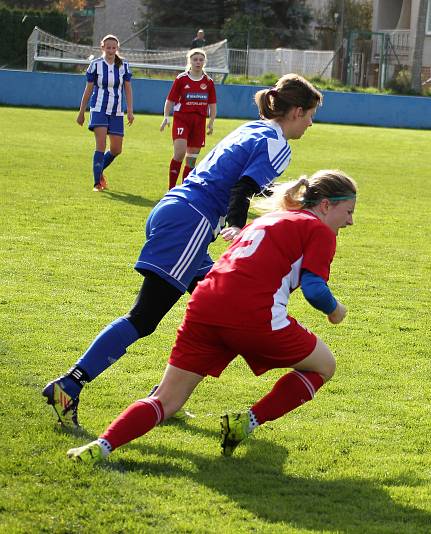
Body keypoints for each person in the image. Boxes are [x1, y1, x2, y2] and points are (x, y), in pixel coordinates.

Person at [43, 74, 323, 429]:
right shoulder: (278, 143)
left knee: (224, 310)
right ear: (296, 111)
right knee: (144, 317)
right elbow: (243, 188)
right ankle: (69, 385)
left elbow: (234, 180)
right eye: (311, 114)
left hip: (180, 212)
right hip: (191, 223)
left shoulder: (252, 129)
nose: (312, 123)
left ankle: (165, 399)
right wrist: (235, 226)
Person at [66, 171, 357, 463]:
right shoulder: (318, 230)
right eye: (348, 211)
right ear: (326, 205)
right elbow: (315, 290)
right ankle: (248, 421)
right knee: (324, 366)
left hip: (204, 306)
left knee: (165, 400)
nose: (350, 221)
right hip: (253, 316)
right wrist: (336, 311)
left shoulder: (270, 218)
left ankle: (99, 447)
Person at [77, 34, 134, 192]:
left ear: (117, 48)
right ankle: (97, 183)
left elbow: (127, 89)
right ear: (102, 47)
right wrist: (82, 111)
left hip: (116, 111)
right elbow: (88, 90)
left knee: (116, 149)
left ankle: (99, 169)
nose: (110, 50)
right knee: (101, 145)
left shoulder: (124, 65)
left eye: (113, 47)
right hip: (98, 108)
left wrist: (130, 110)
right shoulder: (95, 65)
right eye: (108, 47)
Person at [161, 48, 218, 189]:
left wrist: (211, 122)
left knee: (191, 161)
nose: (198, 62)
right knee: (179, 153)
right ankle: (171, 188)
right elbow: (170, 100)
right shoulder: (181, 79)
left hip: (199, 122)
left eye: (201, 59)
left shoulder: (208, 82)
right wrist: (166, 117)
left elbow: (212, 104)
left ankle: (183, 190)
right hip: (182, 119)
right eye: (195, 59)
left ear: (204, 62)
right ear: (190, 61)